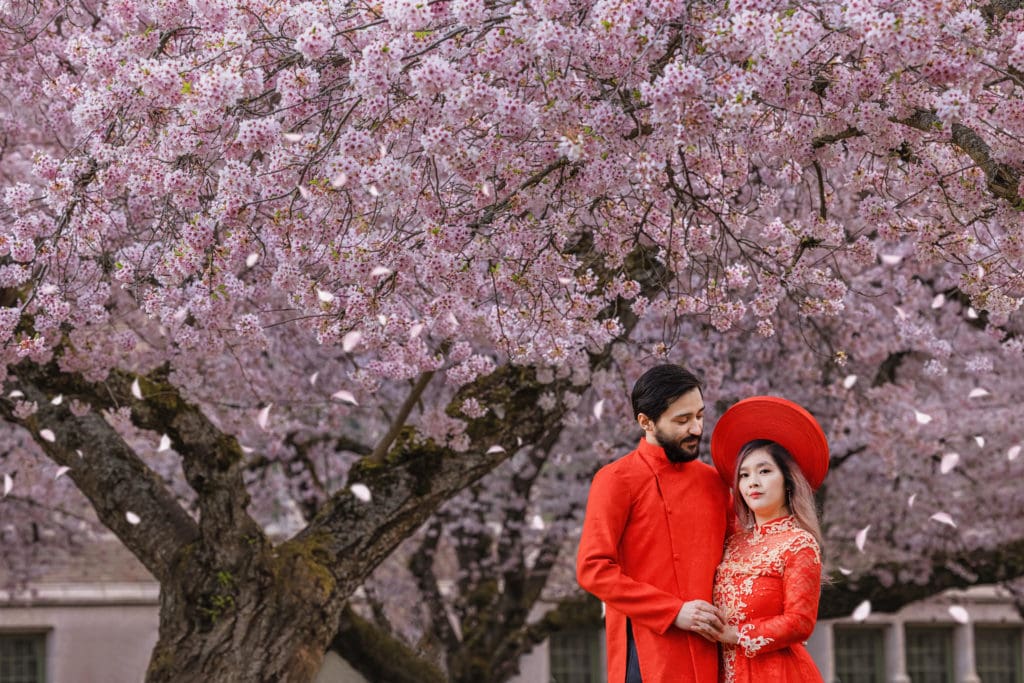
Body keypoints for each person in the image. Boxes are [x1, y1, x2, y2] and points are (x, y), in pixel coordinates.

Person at [577, 364, 732, 683]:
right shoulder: (616, 480)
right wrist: (674, 611)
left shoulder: (715, 482)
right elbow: (593, 568)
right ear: (645, 422)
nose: (696, 429)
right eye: (682, 420)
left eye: (700, 416)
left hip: (713, 650)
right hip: (647, 653)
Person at [708, 396, 829, 682]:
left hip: (777, 673)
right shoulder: (733, 542)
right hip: (725, 670)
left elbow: (800, 622)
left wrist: (736, 635)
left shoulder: (799, 544)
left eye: (764, 471)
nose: (753, 482)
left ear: (787, 480)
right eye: (744, 475)